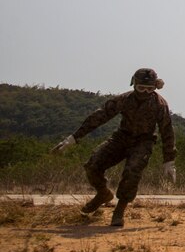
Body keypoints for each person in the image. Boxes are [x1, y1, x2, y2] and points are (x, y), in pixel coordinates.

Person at [51, 67, 176, 228]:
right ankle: (103, 194)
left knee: (132, 172)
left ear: (155, 88)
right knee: (93, 165)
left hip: (143, 142)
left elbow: (167, 131)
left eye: (149, 89)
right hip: (121, 137)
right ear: (134, 85)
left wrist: (169, 160)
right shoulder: (124, 99)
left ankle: (119, 211)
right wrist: (74, 138)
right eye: (141, 88)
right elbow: (100, 116)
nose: (145, 93)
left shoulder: (160, 104)